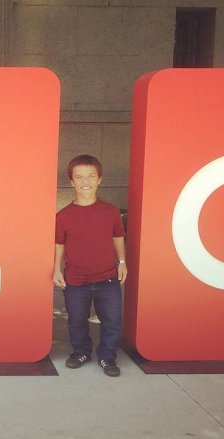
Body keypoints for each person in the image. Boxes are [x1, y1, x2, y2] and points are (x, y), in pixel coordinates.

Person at [53, 154, 126, 377]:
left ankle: (107, 356)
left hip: (108, 278)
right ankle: (81, 352)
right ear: (72, 182)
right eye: (80, 177)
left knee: (112, 320)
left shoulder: (111, 212)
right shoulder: (63, 216)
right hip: (76, 279)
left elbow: (118, 237)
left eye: (91, 176)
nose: (86, 181)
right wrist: (57, 268)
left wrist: (122, 261)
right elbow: (59, 244)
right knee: (76, 320)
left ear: (99, 179)